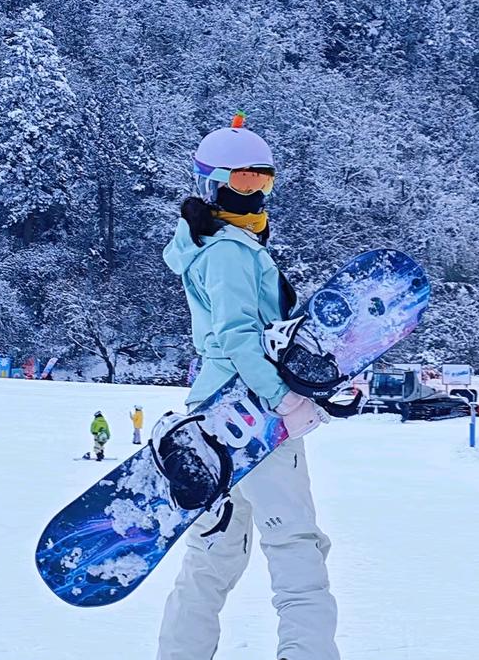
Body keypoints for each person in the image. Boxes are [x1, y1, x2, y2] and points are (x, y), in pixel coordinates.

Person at [156, 114, 339, 660]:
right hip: (252, 415)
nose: (255, 192)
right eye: (242, 181)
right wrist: (284, 399)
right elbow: (239, 336)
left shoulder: (210, 248)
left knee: (214, 555)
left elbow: (267, 340)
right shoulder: (231, 252)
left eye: (264, 181)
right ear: (211, 184)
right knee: (296, 551)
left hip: (211, 411)